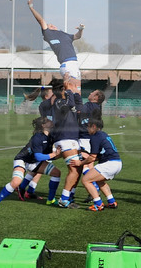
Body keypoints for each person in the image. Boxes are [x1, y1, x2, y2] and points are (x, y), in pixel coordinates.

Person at [0, 117, 62, 206]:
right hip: (23, 160)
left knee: (56, 173)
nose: (51, 120)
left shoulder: (51, 136)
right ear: (43, 125)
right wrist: (54, 154)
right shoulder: (37, 137)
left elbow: (46, 156)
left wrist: (60, 155)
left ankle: (50, 200)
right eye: (48, 121)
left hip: (34, 162)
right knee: (16, 182)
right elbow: (38, 156)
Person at [28, 0, 84, 93]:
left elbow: (77, 36)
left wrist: (81, 29)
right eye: (49, 25)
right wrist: (31, 7)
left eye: (52, 24)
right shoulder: (49, 34)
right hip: (67, 64)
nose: (52, 25)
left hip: (74, 64)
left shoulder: (65, 35)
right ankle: (68, 105)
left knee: (77, 91)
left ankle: (75, 107)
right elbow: (41, 20)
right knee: (71, 90)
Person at [50, 80, 84, 208]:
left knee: (78, 169)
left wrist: (76, 93)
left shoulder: (69, 100)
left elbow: (79, 108)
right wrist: (69, 90)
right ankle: (63, 200)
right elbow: (69, 104)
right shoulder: (59, 102)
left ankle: (70, 196)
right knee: (74, 169)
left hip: (73, 139)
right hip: (64, 138)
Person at [81, 118, 121, 211]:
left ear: (94, 126)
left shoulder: (95, 136)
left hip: (109, 164)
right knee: (99, 181)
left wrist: (81, 162)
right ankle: (112, 202)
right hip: (117, 163)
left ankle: (98, 204)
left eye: (88, 126)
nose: (87, 128)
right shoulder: (103, 134)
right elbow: (99, 155)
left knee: (86, 180)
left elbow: (92, 158)